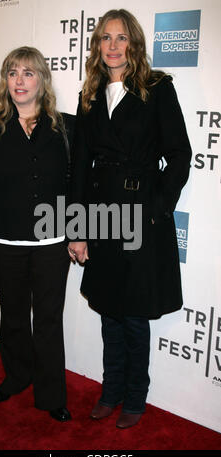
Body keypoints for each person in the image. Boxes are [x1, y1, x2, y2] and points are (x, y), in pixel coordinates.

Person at [68, 9, 192, 429]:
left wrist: (158, 203)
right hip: (101, 216)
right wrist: (77, 229)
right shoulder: (90, 95)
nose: (114, 46)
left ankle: (135, 398)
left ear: (134, 43)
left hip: (142, 217)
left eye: (121, 38)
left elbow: (179, 154)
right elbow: (80, 167)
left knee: (135, 314)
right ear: (97, 46)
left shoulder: (157, 88)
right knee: (109, 312)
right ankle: (111, 390)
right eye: (106, 38)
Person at [0, 46, 75, 422]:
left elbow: (77, 188)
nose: (19, 81)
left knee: (47, 320)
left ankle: (51, 395)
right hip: (3, 243)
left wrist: (77, 234)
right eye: (12, 72)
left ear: (42, 79)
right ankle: (16, 377)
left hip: (51, 244)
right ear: (5, 80)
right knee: (12, 317)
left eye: (28, 73)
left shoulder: (66, 127)